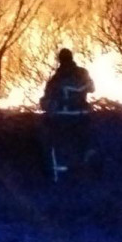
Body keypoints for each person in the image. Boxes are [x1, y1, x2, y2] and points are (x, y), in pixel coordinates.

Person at [39, 48, 95, 182]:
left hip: (62, 118)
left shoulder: (56, 79)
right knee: (84, 144)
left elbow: (48, 99)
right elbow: (92, 88)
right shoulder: (83, 73)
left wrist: (46, 106)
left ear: (59, 60)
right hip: (83, 116)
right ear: (72, 58)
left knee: (58, 144)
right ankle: (85, 169)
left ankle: (60, 172)